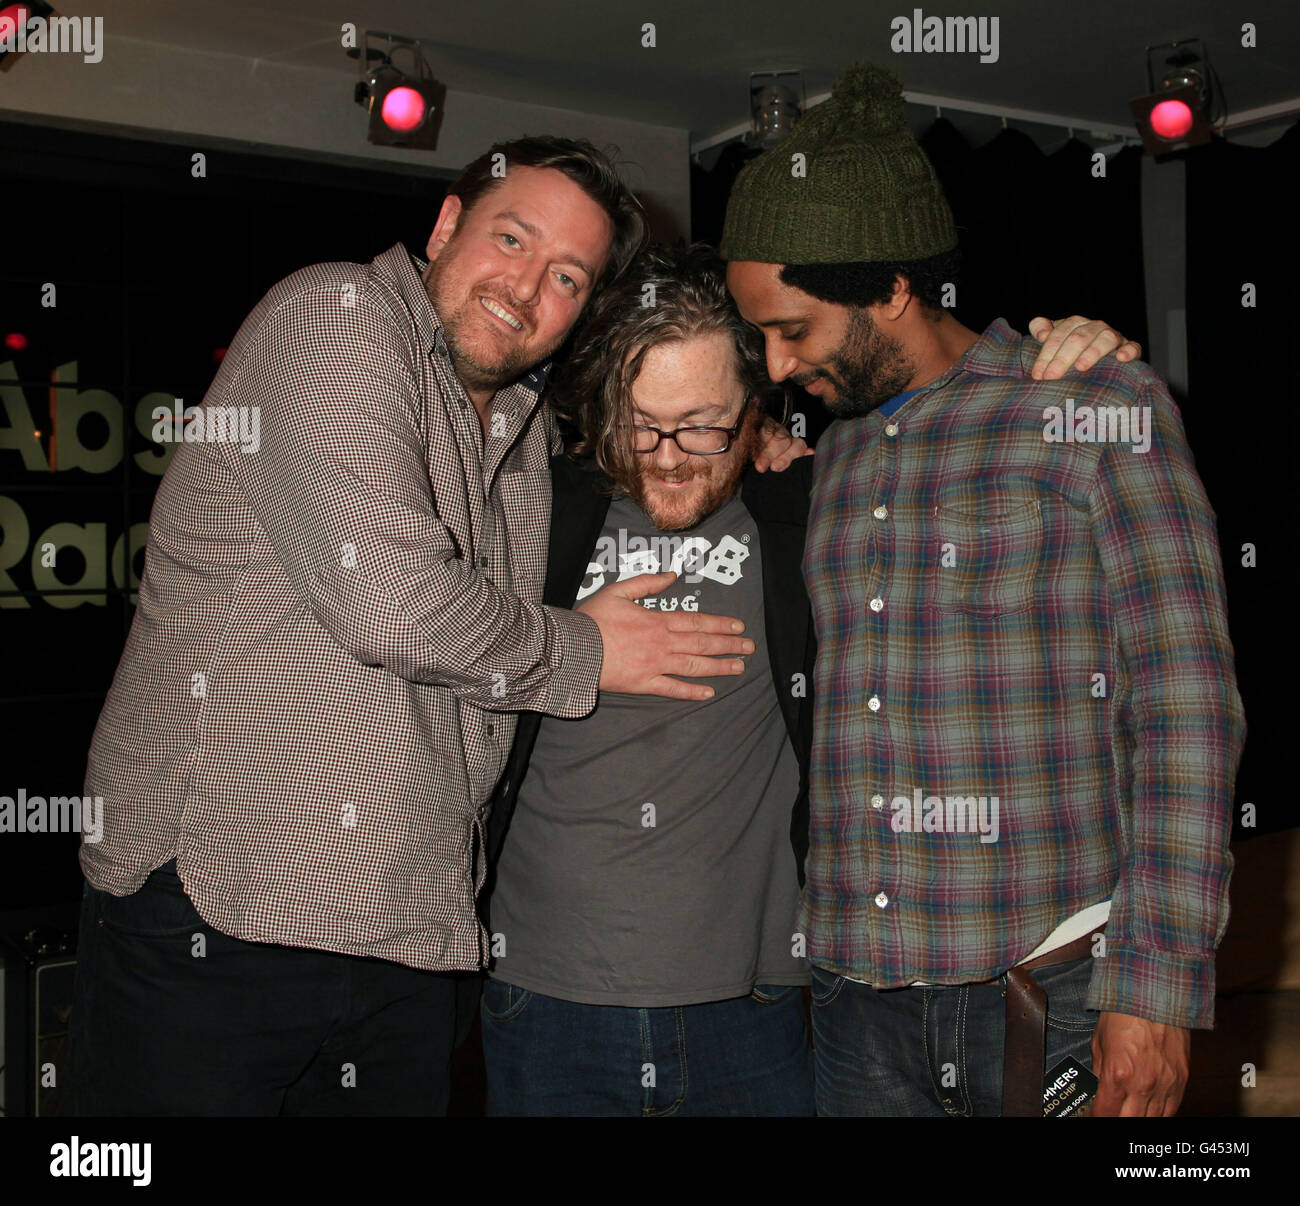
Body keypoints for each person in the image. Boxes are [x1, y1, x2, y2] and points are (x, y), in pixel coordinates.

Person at [69, 136, 789, 1117]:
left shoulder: (527, 431)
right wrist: (588, 649)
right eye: (510, 238)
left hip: (407, 942)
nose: (525, 286)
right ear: (446, 227)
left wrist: (756, 441)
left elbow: (649, 425)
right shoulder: (339, 316)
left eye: (567, 275)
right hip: (220, 922)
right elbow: (393, 601)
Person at [478, 243, 1138, 1116]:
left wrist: (1065, 351)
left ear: (757, 411)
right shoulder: (533, 514)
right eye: (641, 423)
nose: (669, 456)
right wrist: (569, 643)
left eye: (703, 423)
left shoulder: (815, 510)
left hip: (757, 1006)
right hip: (541, 990)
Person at [721, 64, 1245, 1118]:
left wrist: (1156, 988)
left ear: (891, 289)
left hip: (1047, 986)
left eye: (794, 329)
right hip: (855, 998)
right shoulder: (833, 458)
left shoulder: (1093, 404)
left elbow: (1184, 707)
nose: (774, 365)